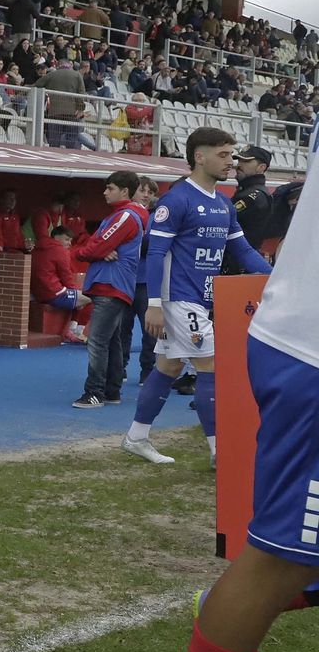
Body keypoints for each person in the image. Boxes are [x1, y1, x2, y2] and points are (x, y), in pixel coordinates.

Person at [148, 176, 319, 652]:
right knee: (280, 556)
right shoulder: (183, 201)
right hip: (311, 350)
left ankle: (232, 608)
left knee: (288, 560)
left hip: (294, 328)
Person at [123, 128, 272, 467]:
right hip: (178, 298)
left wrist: (277, 279)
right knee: (211, 366)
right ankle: (221, 453)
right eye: (223, 155)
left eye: (232, 155)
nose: (231, 162)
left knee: (169, 366)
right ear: (199, 156)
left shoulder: (223, 204)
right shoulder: (177, 200)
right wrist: (156, 306)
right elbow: (157, 252)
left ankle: (136, 437)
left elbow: (243, 250)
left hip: (202, 298)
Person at [70, 171, 149, 408]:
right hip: (113, 284)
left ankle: (94, 392)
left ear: (124, 191)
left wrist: (97, 250)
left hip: (111, 283)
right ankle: (111, 391)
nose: (105, 192)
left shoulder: (125, 216)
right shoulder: (122, 215)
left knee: (97, 341)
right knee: (112, 340)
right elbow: (94, 245)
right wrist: (97, 249)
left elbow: (90, 249)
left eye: (110, 188)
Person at [126, 176, 161, 382]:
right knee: (122, 329)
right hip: (125, 280)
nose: (146, 195)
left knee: (150, 331)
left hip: (146, 281)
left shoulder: (157, 217)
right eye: (142, 191)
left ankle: (147, 371)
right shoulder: (123, 215)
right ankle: (118, 370)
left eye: (150, 192)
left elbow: (151, 246)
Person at [32, 225, 90, 343]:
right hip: (55, 294)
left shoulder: (35, 249)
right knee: (92, 297)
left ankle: (72, 331)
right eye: (66, 239)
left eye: (70, 240)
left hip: (39, 294)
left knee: (80, 300)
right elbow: (66, 277)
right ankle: (75, 331)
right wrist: (75, 293)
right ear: (56, 237)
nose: (69, 243)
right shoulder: (59, 250)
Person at [225, 145, 274, 274]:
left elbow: (223, 220)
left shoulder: (253, 196)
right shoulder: (248, 192)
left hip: (239, 264)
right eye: (239, 160)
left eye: (246, 161)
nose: (239, 165)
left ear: (261, 168)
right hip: (236, 260)